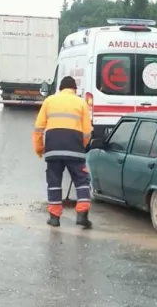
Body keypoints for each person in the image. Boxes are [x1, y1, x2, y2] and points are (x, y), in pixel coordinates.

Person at [33, 76, 94, 229]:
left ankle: (54, 218)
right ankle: (82, 215)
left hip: (53, 149)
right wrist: (83, 146)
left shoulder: (49, 101)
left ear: (60, 88)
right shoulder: (81, 102)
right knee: (82, 182)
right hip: (75, 149)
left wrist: (40, 149)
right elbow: (87, 131)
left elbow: (39, 128)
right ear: (75, 89)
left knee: (54, 182)